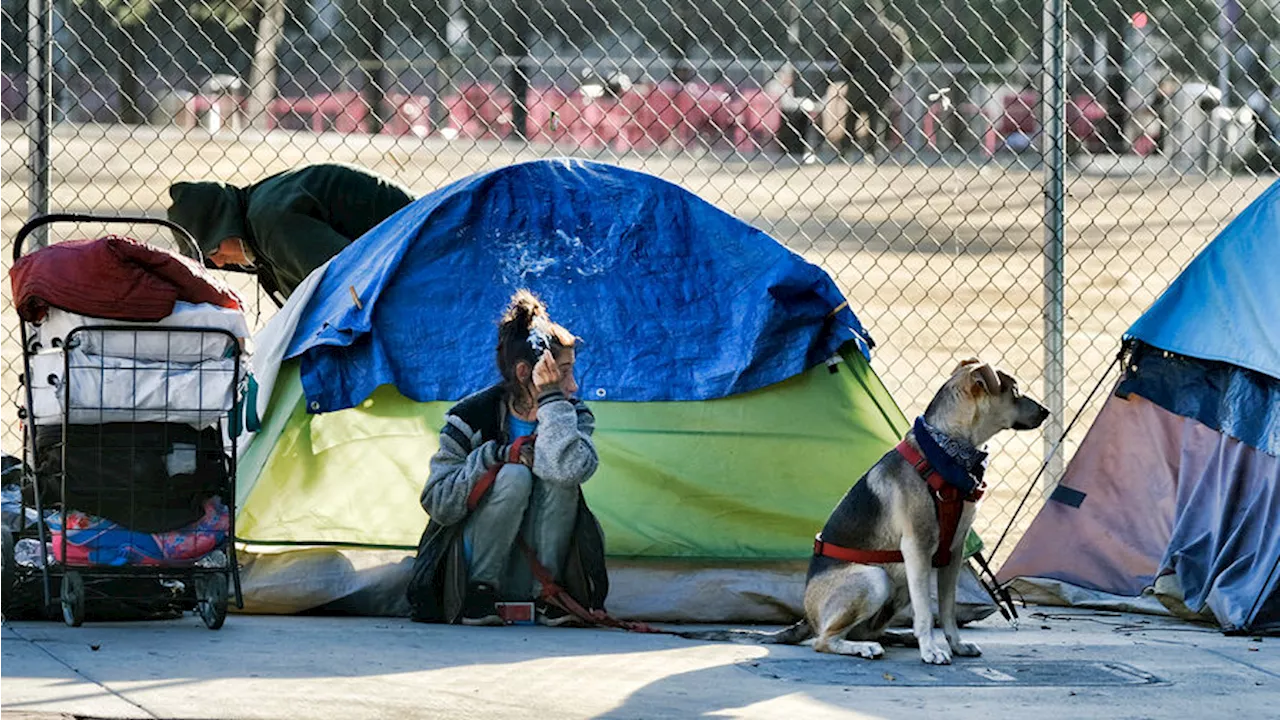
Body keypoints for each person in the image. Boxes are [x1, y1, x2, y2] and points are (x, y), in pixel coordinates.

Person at [407, 290, 607, 626]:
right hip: (466, 575)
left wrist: (552, 401)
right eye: (563, 373)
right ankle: (479, 594)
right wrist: (496, 457)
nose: (572, 386)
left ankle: (548, 596)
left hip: (537, 572)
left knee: (561, 481)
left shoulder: (570, 412)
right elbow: (437, 502)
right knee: (514, 476)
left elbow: (570, 469)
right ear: (525, 372)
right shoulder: (471, 416)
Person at [166, 163, 414, 302]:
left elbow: (348, 281)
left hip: (419, 242)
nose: (218, 262)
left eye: (213, 250)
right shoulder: (257, 215)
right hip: (403, 248)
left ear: (224, 226)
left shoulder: (270, 222)